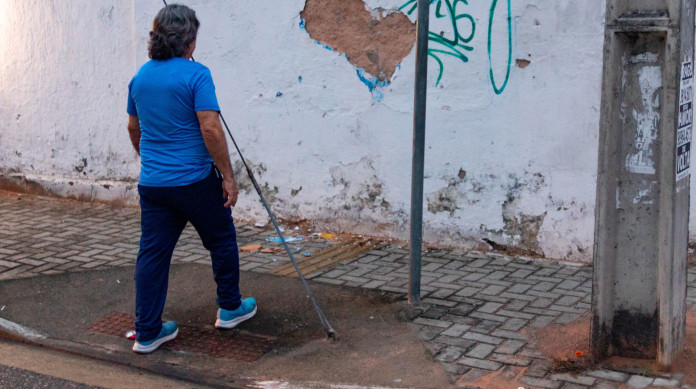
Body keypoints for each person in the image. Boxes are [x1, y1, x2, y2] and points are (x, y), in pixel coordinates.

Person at [126, 4, 256, 354]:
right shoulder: (197, 75)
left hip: (153, 185)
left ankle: (148, 331)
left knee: (152, 255)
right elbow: (210, 127)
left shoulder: (139, 78)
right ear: (190, 42)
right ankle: (230, 307)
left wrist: (150, 159)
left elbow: (133, 128)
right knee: (221, 239)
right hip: (195, 183)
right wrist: (228, 177)